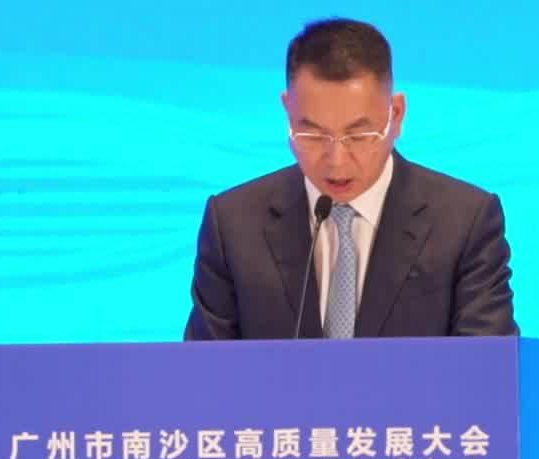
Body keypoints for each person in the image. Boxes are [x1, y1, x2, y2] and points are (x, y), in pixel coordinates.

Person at [184, 18, 517, 340]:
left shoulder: (465, 223)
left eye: (359, 135)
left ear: (396, 115)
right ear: (287, 110)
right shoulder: (233, 225)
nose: (337, 161)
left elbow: (487, 366)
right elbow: (203, 370)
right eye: (313, 135)